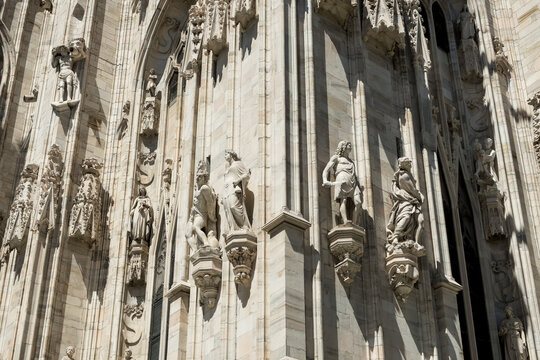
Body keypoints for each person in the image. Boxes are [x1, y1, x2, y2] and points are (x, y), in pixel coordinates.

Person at [386, 157, 424, 245]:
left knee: (421, 222)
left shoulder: (407, 174)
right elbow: (412, 190)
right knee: (406, 217)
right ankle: (395, 236)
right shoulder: (404, 175)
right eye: (409, 163)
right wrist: (420, 196)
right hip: (407, 200)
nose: (411, 164)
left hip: (413, 202)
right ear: (405, 164)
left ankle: (416, 242)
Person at [322, 140, 362, 224]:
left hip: (353, 182)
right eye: (349, 145)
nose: (350, 146)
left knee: (358, 202)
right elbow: (326, 170)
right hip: (342, 180)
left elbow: (354, 175)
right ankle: (345, 221)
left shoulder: (351, 162)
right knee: (343, 201)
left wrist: (358, 185)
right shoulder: (336, 158)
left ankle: (354, 223)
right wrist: (325, 180)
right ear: (343, 147)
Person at [186, 161, 218, 250]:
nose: (197, 178)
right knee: (187, 234)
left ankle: (206, 243)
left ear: (204, 178)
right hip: (194, 214)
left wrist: (211, 216)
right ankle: (195, 251)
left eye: (199, 176)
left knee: (196, 227)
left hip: (202, 214)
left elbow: (210, 203)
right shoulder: (197, 189)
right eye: (197, 176)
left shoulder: (204, 188)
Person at [222, 150, 251, 232]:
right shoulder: (228, 168)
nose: (225, 156)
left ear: (231, 155)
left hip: (234, 188)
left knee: (233, 206)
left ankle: (244, 225)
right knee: (228, 209)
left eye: (226, 154)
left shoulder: (238, 164)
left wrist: (238, 180)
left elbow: (246, 174)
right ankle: (234, 228)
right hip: (226, 190)